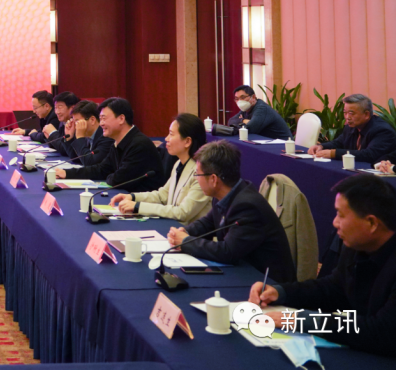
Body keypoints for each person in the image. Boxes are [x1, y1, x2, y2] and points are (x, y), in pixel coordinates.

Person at [249, 174, 396, 356]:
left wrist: (302, 320)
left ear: (372, 223)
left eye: (341, 215)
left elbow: (383, 332)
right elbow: (334, 288)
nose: (335, 223)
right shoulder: (356, 245)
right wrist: (281, 292)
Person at [168, 141, 296, 282]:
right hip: (244, 273)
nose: (196, 179)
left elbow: (227, 252)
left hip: (267, 284)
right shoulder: (226, 193)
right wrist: (185, 231)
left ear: (213, 179)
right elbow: (208, 222)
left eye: (197, 174)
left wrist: (185, 241)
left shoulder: (248, 206)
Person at [110, 114, 212, 224]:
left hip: (189, 232)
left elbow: (182, 212)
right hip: (173, 228)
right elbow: (162, 195)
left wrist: (138, 206)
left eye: (171, 134)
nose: (166, 139)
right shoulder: (179, 163)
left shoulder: (202, 173)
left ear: (187, 141)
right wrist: (132, 197)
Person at [54, 97, 163, 192]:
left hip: (142, 204)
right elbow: (101, 170)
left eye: (104, 118)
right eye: (100, 119)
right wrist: (67, 173)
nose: (101, 123)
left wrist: (109, 175)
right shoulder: (118, 142)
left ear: (121, 119)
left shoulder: (139, 144)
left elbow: (118, 180)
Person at [308, 94, 396, 165]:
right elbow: (339, 142)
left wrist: (334, 153)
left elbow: (369, 155)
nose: (347, 117)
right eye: (345, 113)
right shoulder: (351, 127)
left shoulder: (382, 130)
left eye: (351, 113)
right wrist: (321, 146)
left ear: (366, 114)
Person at [46, 100, 112, 166]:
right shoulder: (87, 134)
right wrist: (69, 137)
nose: (75, 126)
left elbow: (90, 162)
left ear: (92, 120)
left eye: (77, 122)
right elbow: (76, 158)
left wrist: (80, 138)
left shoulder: (106, 137)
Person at [227, 85, 292, 140]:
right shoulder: (246, 109)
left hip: (282, 144)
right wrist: (243, 120)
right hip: (265, 141)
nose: (239, 101)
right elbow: (231, 121)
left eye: (243, 97)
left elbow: (250, 129)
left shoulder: (262, 108)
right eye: (237, 99)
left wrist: (241, 122)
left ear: (253, 97)